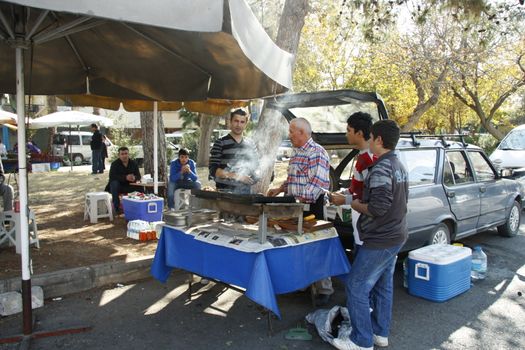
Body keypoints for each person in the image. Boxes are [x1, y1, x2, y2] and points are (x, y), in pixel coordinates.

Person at [333, 120, 408, 350]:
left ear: (379, 140)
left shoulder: (382, 168)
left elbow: (377, 208)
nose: (370, 142)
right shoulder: (399, 164)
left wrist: (350, 202)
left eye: (372, 137)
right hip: (396, 235)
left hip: (381, 238)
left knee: (356, 286)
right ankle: (379, 332)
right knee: (383, 285)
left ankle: (361, 340)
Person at [267, 117, 333, 306]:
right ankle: (303, 282)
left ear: (302, 133)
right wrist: (280, 189)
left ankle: (323, 289)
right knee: (297, 246)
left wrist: (289, 199)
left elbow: (315, 188)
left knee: (316, 248)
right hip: (297, 206)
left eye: (291, 131)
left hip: (314, 207)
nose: (289, 135)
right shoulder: (297, 153)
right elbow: (294, 179)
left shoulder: (317, 153)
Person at [329, 112, 376, 254]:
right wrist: (343, 193)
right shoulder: (362, 155)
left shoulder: (369, 159)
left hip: (367, 233)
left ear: (359, 133)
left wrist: (345, 199)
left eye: (349, 130)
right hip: (361, 230)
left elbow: (370, 195)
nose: (346, 134)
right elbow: (357, 188)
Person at [209, 109, 259, 194]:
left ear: (246, 124)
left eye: (242, 122)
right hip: (224, 192)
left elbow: (256, 166)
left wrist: (257, 175)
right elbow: (213, 170)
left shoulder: (251, 144)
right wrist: (238, 176)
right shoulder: (220, 142)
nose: (238, 125)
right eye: (236, 121)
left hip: (245, 192)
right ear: (230, 122)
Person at [105, 147, 141, 214]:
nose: (124, 156)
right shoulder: (114, 164)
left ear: (128, 154)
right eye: (122, 154)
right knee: (114, 183)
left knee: (140, 186)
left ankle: (139, 205)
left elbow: (138, 176)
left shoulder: (133, 163)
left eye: (126, 153)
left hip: (130, 185)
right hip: (119, 186)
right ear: (119, 155)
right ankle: (117, 207)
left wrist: (134, 178)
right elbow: (112, 177)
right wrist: (125, 177)